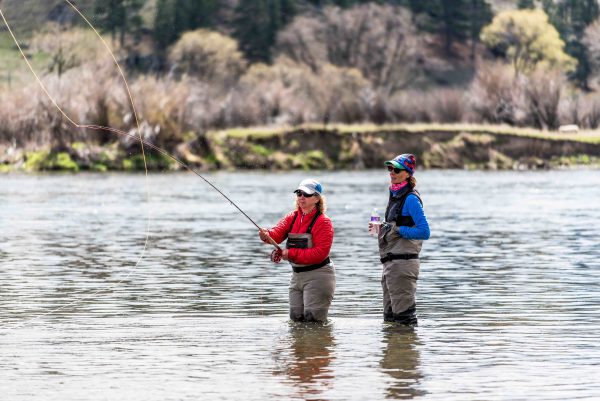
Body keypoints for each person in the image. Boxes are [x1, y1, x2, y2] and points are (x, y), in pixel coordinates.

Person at [259, 178, 335, 322]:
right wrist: (266, 235)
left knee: (313, 324)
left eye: (306, 194)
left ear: (317, 198)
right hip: (297, 277)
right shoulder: (291, 217)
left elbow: (320, 254)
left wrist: (290, 253)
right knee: (296, 320)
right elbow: (277, 233)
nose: (301, 197)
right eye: (299, 193)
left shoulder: (324, 222)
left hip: (319, 276)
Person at [370, 154, 430, 326]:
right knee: (389, 321)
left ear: (408, 173)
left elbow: (424, 231)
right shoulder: (395, 195)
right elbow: (398, 225)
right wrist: (384, 227)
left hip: (403, 265)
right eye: (390, 168)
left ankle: (406, 352)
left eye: (396, 169)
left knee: (404, 321)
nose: (392, 172)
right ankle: (393, 352)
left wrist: (396, 229)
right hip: (390, 265)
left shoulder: (410, 198)